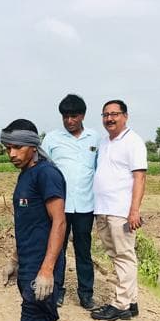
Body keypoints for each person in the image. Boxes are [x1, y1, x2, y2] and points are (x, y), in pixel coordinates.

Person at [0, 119, 67, 321]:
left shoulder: (47, 174)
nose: (11, 154)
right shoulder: (26, 174)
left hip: (42, 268)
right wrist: (15, 260)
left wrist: (47, 270)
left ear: (33, 145)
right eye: (7, 148)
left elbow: (59, 222)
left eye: (17, 147)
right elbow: (29, 224)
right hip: (30, 264)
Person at [41, 93, 100, 309]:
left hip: (85, 205)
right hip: (59, 206)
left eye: (74, 116)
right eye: (65, 117)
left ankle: (86, 293)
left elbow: (99, 170)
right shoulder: (52, 139)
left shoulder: (95, 138)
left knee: (84, 251)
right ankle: (57, 290)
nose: (69, 121)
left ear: (82, 115)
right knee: (57, 249)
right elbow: (42, 169)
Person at [91, 99, 147, 321]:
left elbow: (140, 177)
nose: (109, 118)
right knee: (116, 256)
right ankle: (131, 302)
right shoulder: (104, 142)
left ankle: (120, 305)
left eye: (114, 114)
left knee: (124, 255)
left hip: (120, 211)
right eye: (105, 115)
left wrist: (134, 211)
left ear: (125, 116)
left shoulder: (133, 142)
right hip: (102, 209)